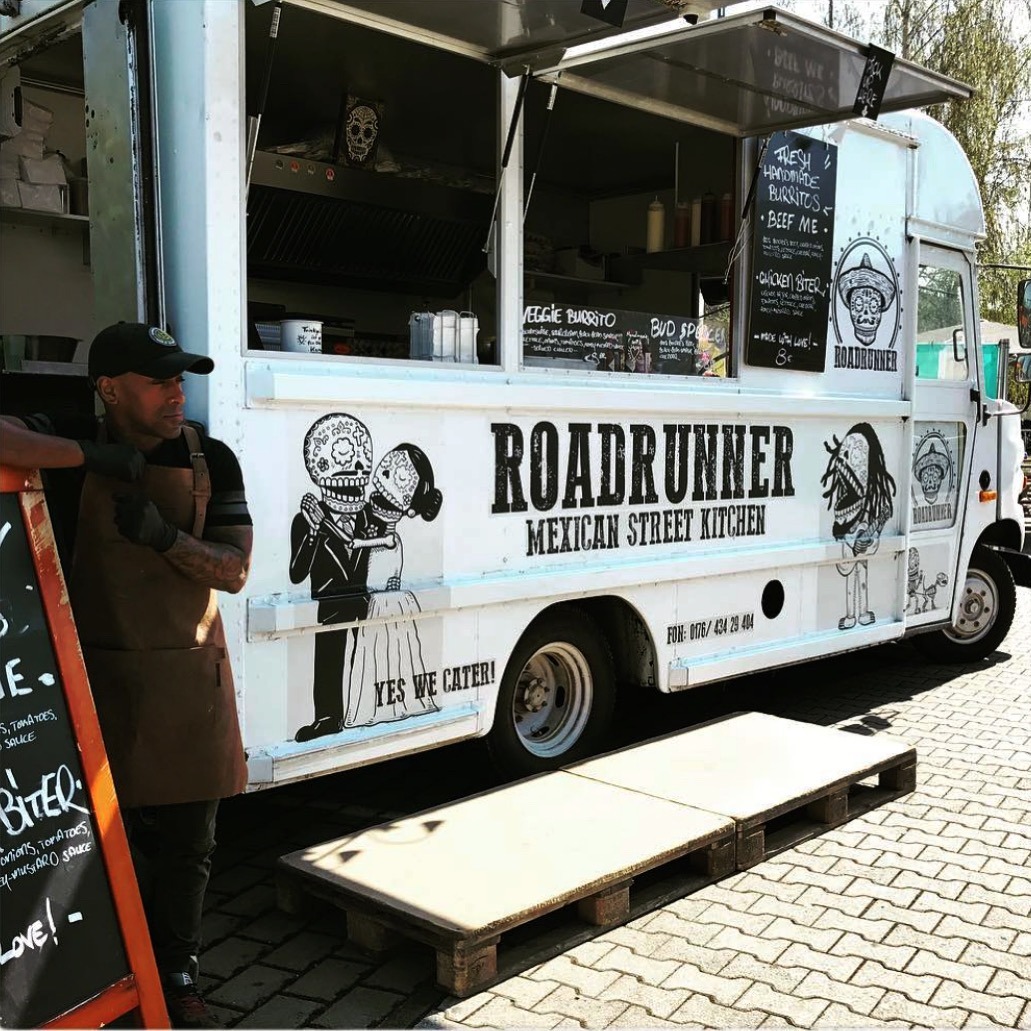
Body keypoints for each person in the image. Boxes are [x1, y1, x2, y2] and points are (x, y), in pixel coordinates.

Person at [0, 322, 253, 1029]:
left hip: (186, 679)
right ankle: (111, 972)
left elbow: (235, 570)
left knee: (188, 846)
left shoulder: (210, 458)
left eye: (180, 379)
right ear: (109, 389)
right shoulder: (68, 439)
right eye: (159, 380)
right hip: (91, 679)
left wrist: (164, 537)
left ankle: (177, 972)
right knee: (101, 841)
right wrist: (92, 455)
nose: (178, 393)